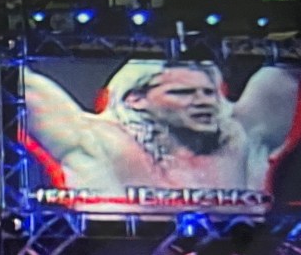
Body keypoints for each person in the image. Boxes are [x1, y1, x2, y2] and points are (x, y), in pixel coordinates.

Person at [23, 61, 300, 196]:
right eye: (183, 92)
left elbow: (280, 76)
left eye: (208, 92)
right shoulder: (97, 140)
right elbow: (22, 84)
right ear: (136, 99)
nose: (204, 101)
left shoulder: (239, 139)